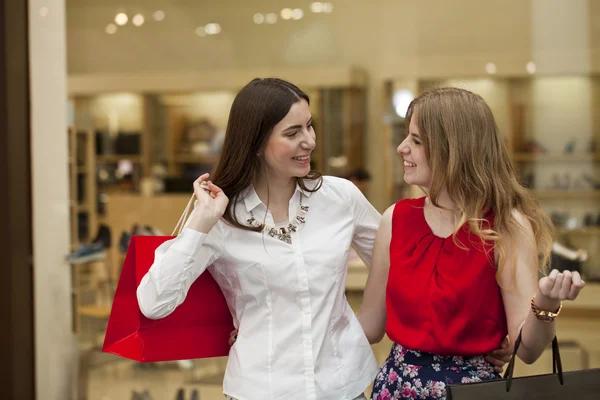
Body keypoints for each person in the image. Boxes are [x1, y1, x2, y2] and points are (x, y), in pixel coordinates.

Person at [136, 79, 509, 400]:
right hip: (261, 388)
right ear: (255, 143)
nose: (309, 141)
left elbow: (409, 266)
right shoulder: (220, 214)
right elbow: (153, 302)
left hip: (343, 385)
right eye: (293, 133)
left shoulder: (339, 197)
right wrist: (201, 221)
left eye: (309, 127)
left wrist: (481, 335)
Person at [356, 87, 585, 400]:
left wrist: (544, 306)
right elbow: (368, 325)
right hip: (396, 389)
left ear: (454, 150)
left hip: (473, 392)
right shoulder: (395, 219)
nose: (401, 148)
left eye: (417, 141)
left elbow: (527, 350)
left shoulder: (507, 225)